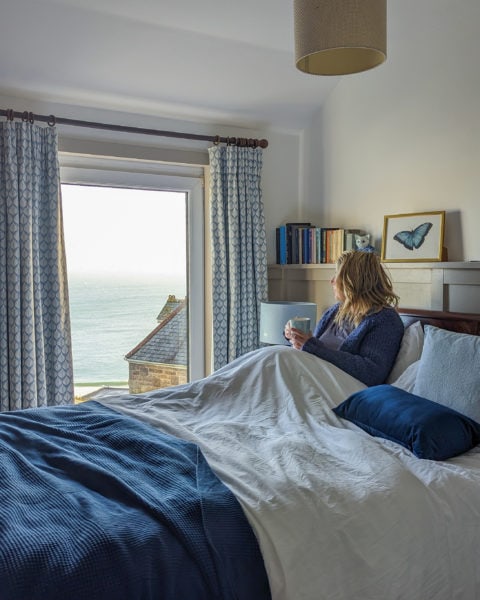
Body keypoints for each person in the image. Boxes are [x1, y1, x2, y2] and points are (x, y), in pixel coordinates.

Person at [284, 250, 404, 387]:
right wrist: (296, 339)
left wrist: (312, 347)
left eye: (337, 275)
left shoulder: (385, 320)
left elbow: (371, 373)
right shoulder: (335, 311)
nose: (331, 281)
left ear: (352, 280)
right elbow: (312, 351)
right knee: (271, 356)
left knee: (273, 358)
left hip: (340, 388)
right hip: (310, 377)